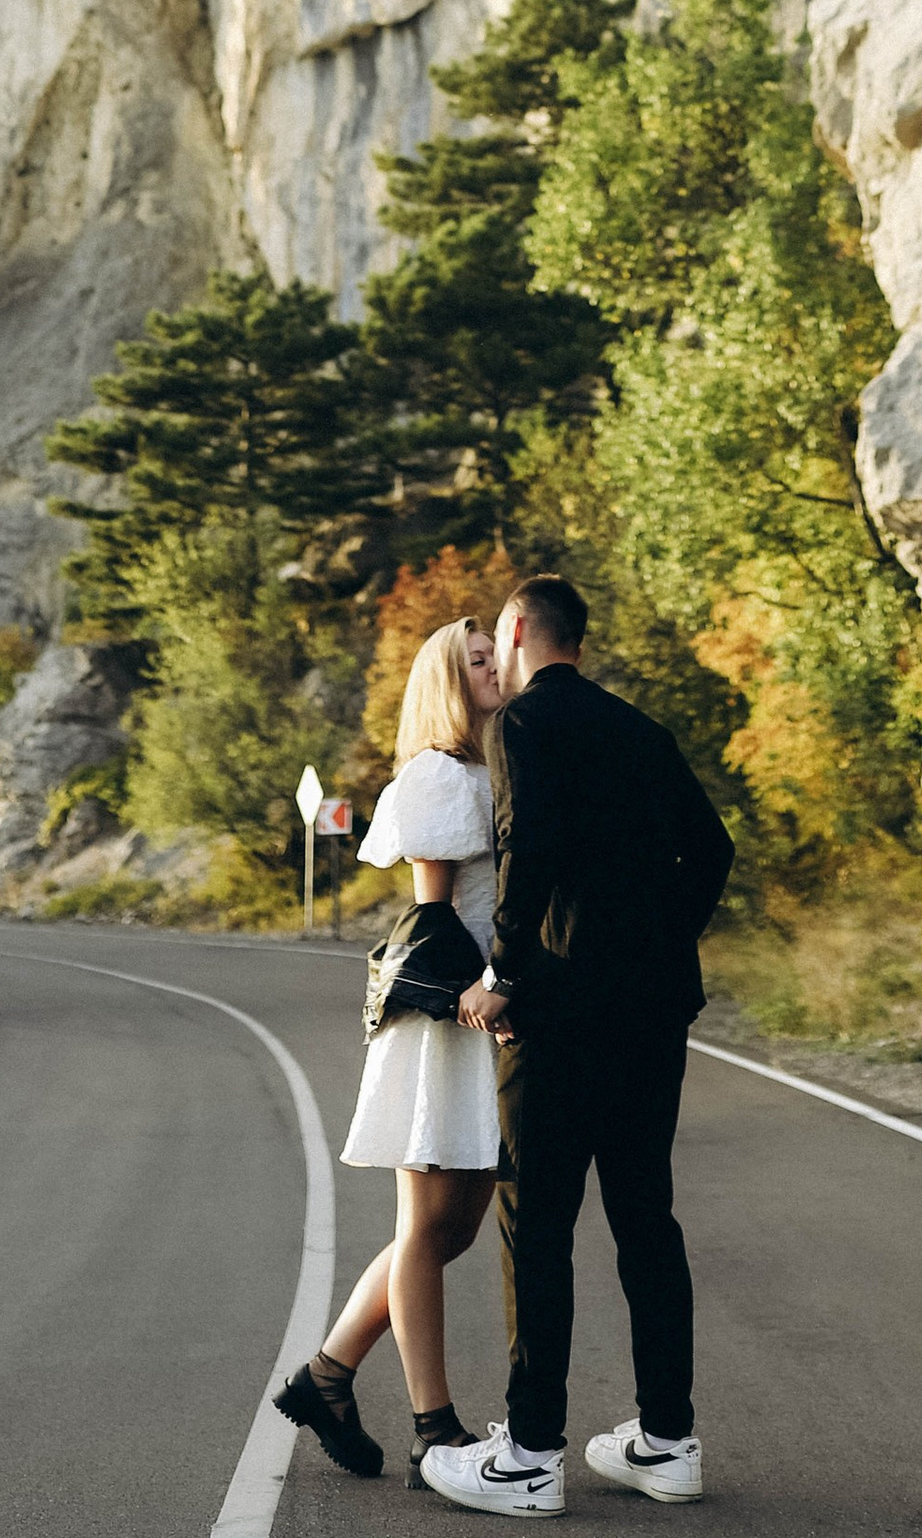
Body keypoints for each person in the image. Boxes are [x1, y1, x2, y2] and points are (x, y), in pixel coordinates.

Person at [420, 573, 734, 1518]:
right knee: (647, 1218)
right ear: (578, 641)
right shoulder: (642, 732)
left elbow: (530, 847)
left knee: (539, 1222)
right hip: (652, 1013)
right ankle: (669, 1442)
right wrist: (657, 943)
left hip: (555, 1017)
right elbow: (711, 849)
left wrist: (504, 974)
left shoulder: (522, 725)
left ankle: (529, 1456)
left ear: (516, 630)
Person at [275, 613, 506, 1483]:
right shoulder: (441, 776)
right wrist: (482, 996)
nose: (495, 669)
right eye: (478, 661)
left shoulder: (485, 767)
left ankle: (326, 1376)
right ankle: (433, 1425)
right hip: (448, 1021)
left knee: (450, 1230)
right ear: (448, 679)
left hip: (478, 1016)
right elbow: (437, 915)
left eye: (496, 656)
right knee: (425, 1228)